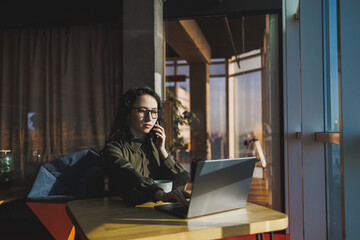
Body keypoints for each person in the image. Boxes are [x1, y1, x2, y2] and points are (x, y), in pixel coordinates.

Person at [102, 87, 190, 206]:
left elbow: (180, 181)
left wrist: (163, 151)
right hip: (121, 214)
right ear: (128, 113)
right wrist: (160, 194)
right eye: (142, 111)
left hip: (155, 211)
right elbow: (130, 176)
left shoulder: (156, 146)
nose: (149, 118)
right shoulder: (114, 148)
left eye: (154, 112)